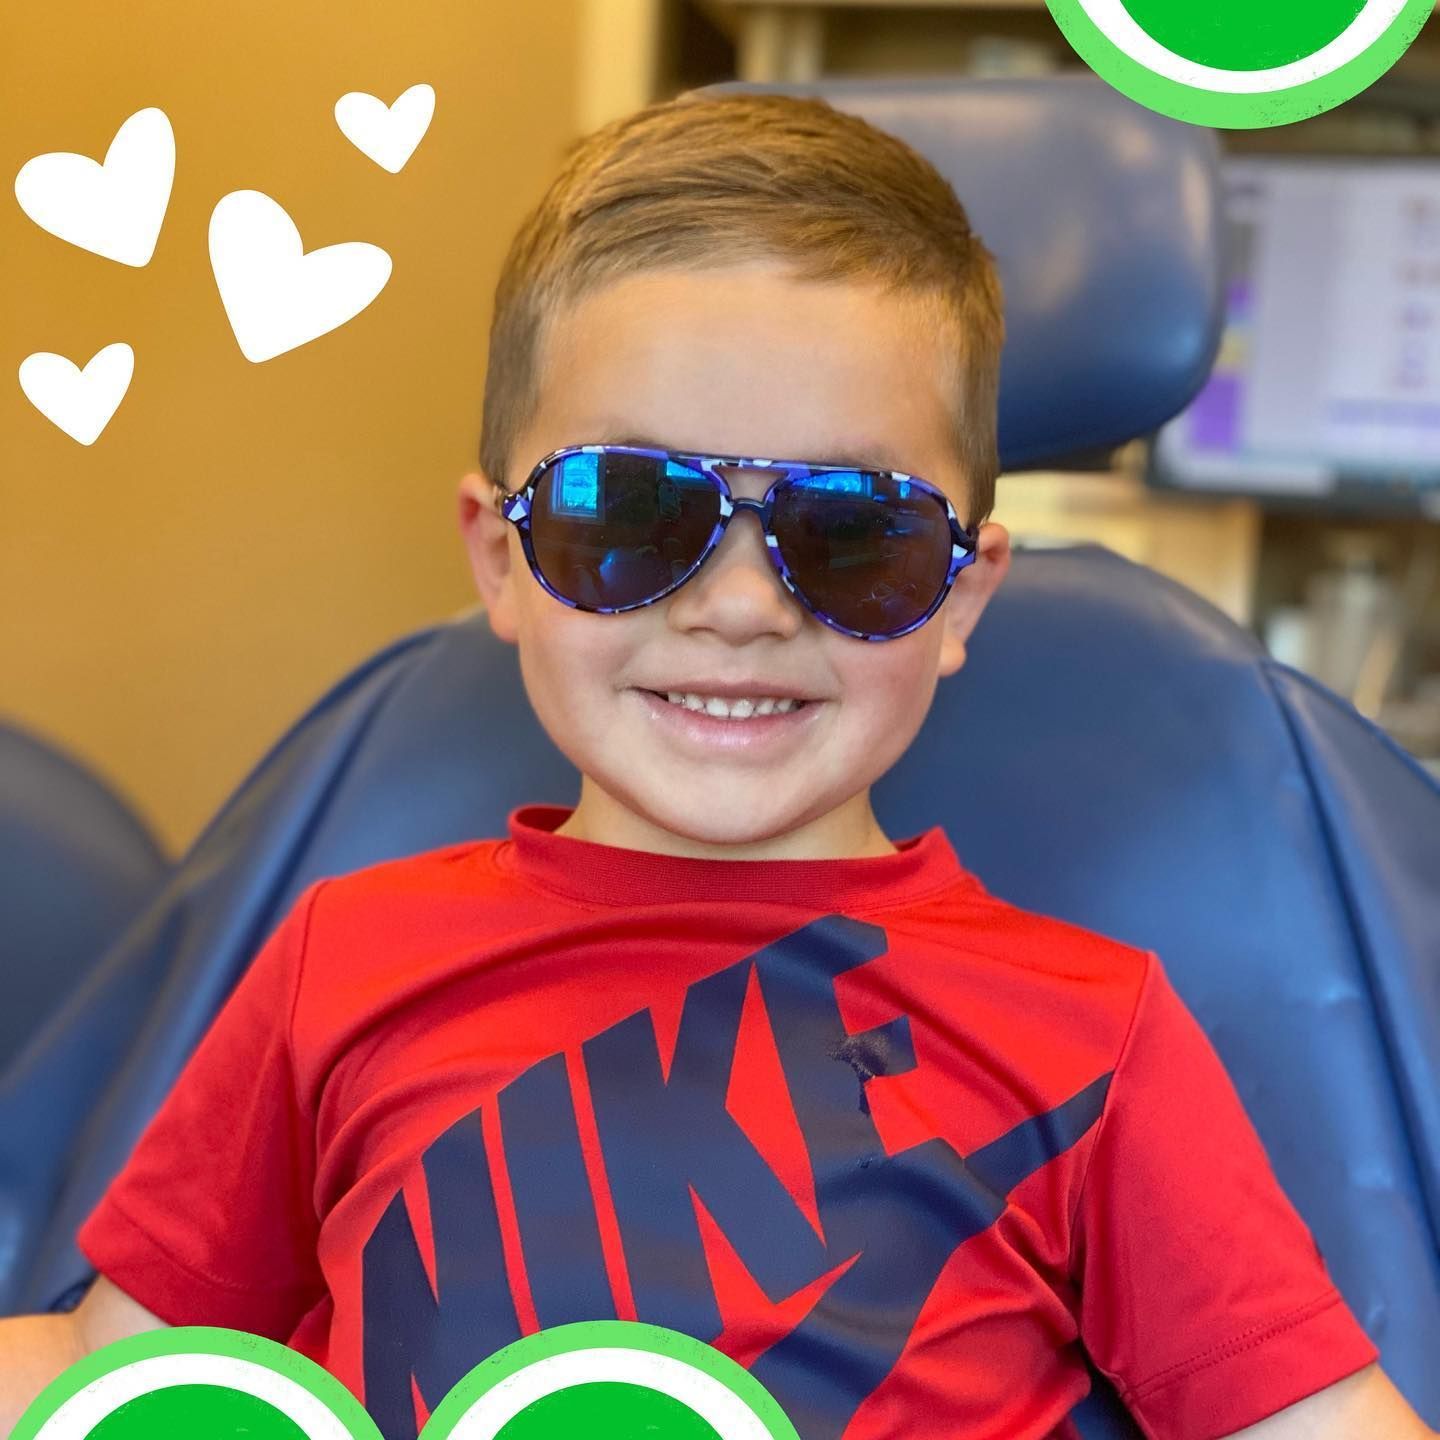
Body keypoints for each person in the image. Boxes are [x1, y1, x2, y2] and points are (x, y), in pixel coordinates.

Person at [2, 90, 1433, 1440]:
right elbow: (117, 1372)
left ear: (960, 600)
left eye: (854, 533)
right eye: (626, 510)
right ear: (501, 558)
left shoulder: (1089, 1041)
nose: (741, 607)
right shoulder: (342, 966)